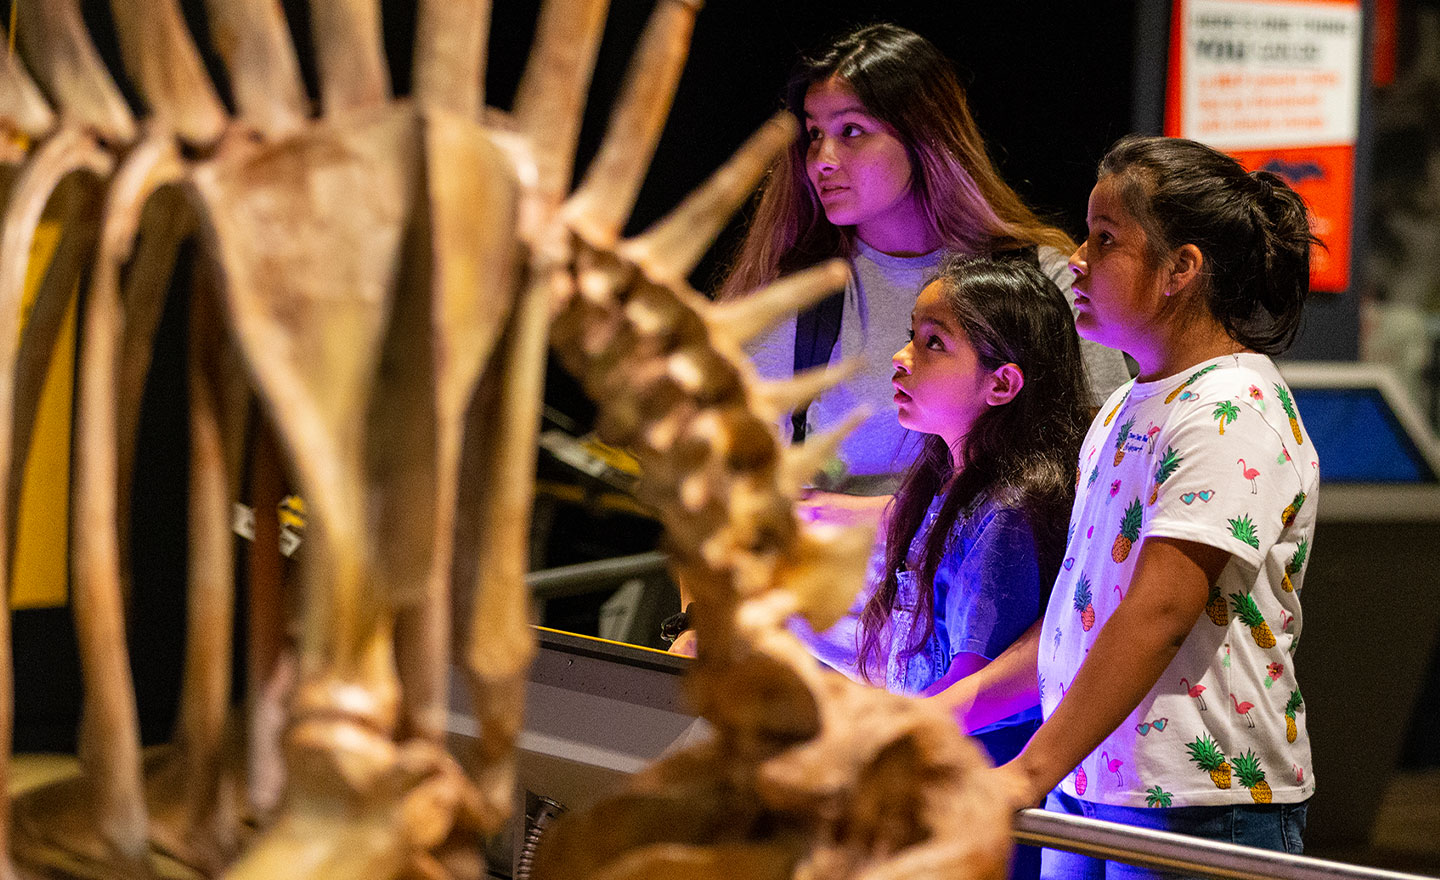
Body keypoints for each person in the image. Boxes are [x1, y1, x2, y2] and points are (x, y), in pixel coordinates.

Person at [936, 135, 1321, 878]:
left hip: (1202, 803)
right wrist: (937, 718)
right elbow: (1081, 620)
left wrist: (1025, 771)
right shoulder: (1120, 408)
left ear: (1181, 269)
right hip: (1088, 784)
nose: (1077, 258)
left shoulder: (1231, 404)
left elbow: (1156, 613)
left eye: (1106, 239)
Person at [721, 23, 1130, 526]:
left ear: (924, 136)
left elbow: (1102, 468)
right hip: (819, 597)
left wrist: (878, 518)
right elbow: (722, 478)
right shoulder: (789, 293)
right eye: (813, 135)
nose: (822, 160)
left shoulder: (1041, 277)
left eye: (851, 131)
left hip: (981, 596)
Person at [795, 255, 1092, 880]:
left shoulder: (1006, 514)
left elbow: (972, 685)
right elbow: (894, 516)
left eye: (935, 344)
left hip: (970, 801)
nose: (903, 358)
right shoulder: (947, 483)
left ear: (1002, 385)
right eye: (911, 335)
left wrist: (876, 746)